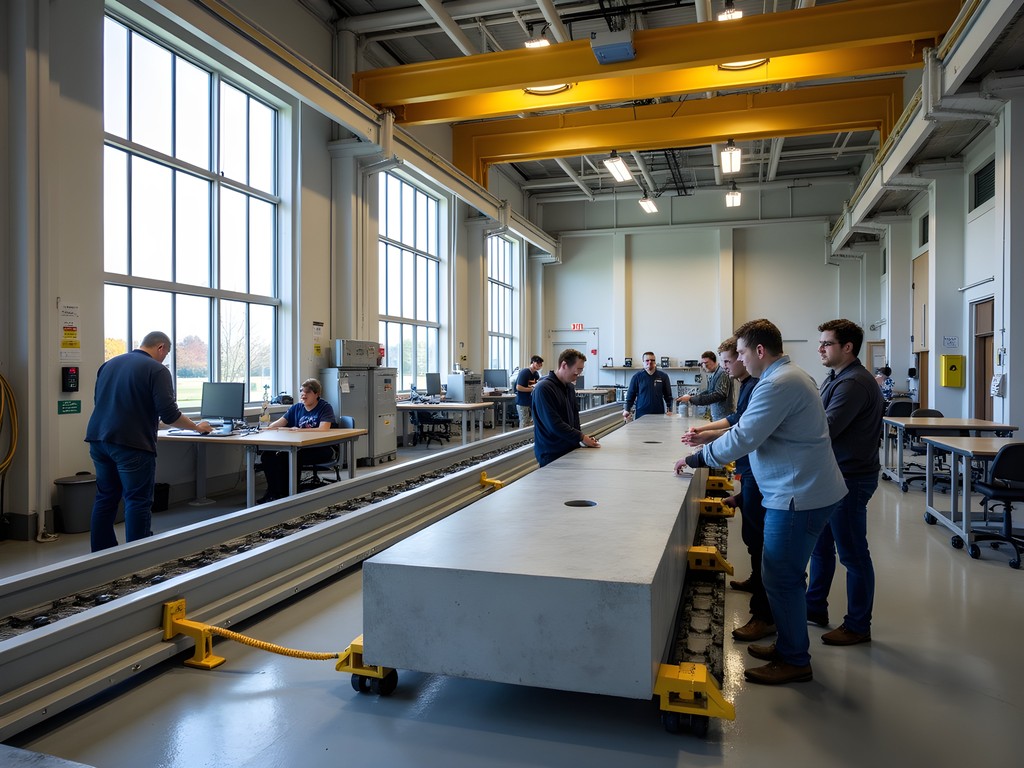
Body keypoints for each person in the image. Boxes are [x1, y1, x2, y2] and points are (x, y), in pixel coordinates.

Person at [675, 319, 846, 686]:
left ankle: (795, 659)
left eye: (738, 353)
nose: (736, 360)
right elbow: (744, 429)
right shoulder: (787, 377)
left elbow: (743, 437)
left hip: (799, 496)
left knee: (780, 577)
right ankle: (788, 643)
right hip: (803, 490)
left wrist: (694, 459)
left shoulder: (777, 384)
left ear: (758, 351)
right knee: (783, 574)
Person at [86, 331, 213, 552]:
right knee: (137, 500)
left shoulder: (109, 365)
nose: (165, 359)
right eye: (166, 354)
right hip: (131, 444)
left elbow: (104, 403)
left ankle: (101, 554)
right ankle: (138, 556)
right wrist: (197, 427)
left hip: (98, 439)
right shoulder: (157, 370)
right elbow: (170, 414)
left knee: (106, 497)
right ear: (161, 347)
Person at [683, 337, 773, 643]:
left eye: (729, 360)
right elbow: (736, 419)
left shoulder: (762, 385)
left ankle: (763, 614)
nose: (725, 366)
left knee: (764, 545)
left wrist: (699, 451)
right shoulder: (748, 385)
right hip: (751, 473)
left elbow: (741, 431)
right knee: (753, 537)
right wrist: (706, 431)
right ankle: (756, 581)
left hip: (761, 474)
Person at [806, 320, 884, 645]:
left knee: (852, 554)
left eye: (827, 343)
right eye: (821, 342)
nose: (820, 348)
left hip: (850, 480)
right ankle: (813, 608)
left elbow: (826, 428)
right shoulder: (836, 378)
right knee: (821, 547)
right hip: (834, 476)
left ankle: (857, 625)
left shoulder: (854, 384)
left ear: (847, 347)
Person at [259, 378, 336, 503]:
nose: (303, 395)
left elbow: (324, 429)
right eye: (301, 391)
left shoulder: (325, 407)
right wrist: (265, 429)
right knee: (267, 455)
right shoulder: (296, 408)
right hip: (298, 447)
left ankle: (288, 494)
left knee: (287, 456)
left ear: (316, 394)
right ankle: (273, 493)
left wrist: (299, 430)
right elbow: (280, 423)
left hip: (320, 448)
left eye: (307, 392)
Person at [532, 349, 600, 467]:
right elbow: (554, 424)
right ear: (564, 365)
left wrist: (580, 440)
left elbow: (574, 419)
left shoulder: (569, 388)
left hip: (570, 450)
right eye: (576, 371)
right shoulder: (543, 389)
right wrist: (581, 437)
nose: (578, 375)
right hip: (552, 454)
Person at [676, 350, 734, 421]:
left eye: (706, 363)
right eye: (702, 363)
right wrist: (693, 397)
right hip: (717, 417)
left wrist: (691, 399)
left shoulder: (722, 373)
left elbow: (718, 395)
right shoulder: (713, 375)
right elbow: (709, 392)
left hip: (724, 417)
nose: (704, 366)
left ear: (714, 361)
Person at [622, 352, 674, 420]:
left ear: (655, 362)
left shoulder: (663, 376)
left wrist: (670, 410)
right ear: (643, 362)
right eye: (647, 360)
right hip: (641, 415)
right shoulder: (637, 377)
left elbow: (668, 396)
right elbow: (630, 397)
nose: (650, 362)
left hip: (658, 415)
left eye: (652, 360)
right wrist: (626, 410)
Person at [515, 355, 544, 428]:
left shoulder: (536, 374)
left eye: (541, 365)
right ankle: (522, 439)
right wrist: (532, 389)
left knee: (532, 422)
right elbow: (518, 387)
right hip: (523, 402)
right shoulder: (525, 372)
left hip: (531, 401)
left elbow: (534, 385)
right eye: (538, 364)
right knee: (524, 422)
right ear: (533, 363)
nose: (539, 366)